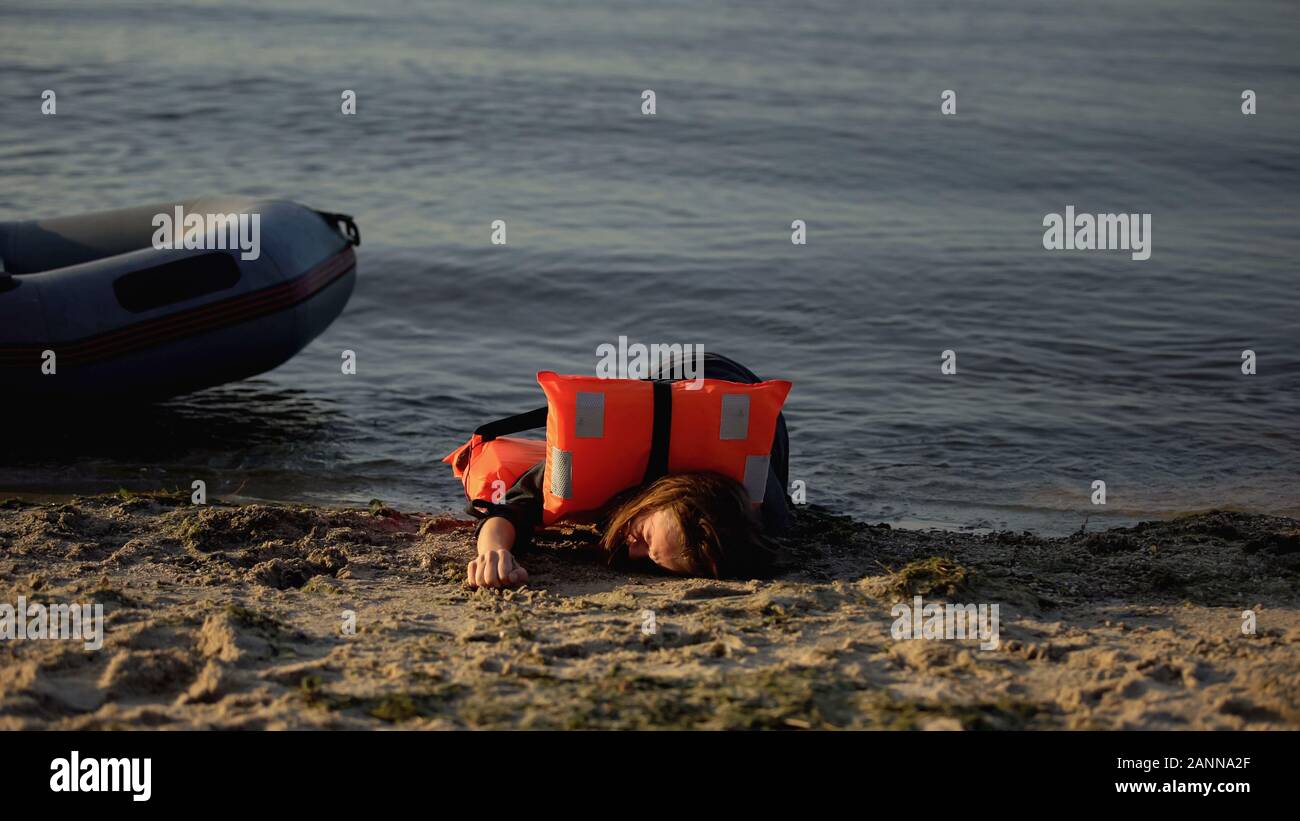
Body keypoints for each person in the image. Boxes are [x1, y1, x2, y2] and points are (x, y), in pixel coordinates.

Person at [466, 353, 791, 588]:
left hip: (741, 413)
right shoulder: (616, 466)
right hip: (682, 375)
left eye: (651, 561)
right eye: (647, 540)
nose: (633, 552)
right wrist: (493, 552)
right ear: (657, 498)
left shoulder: (757, 522)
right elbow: (509, 511)